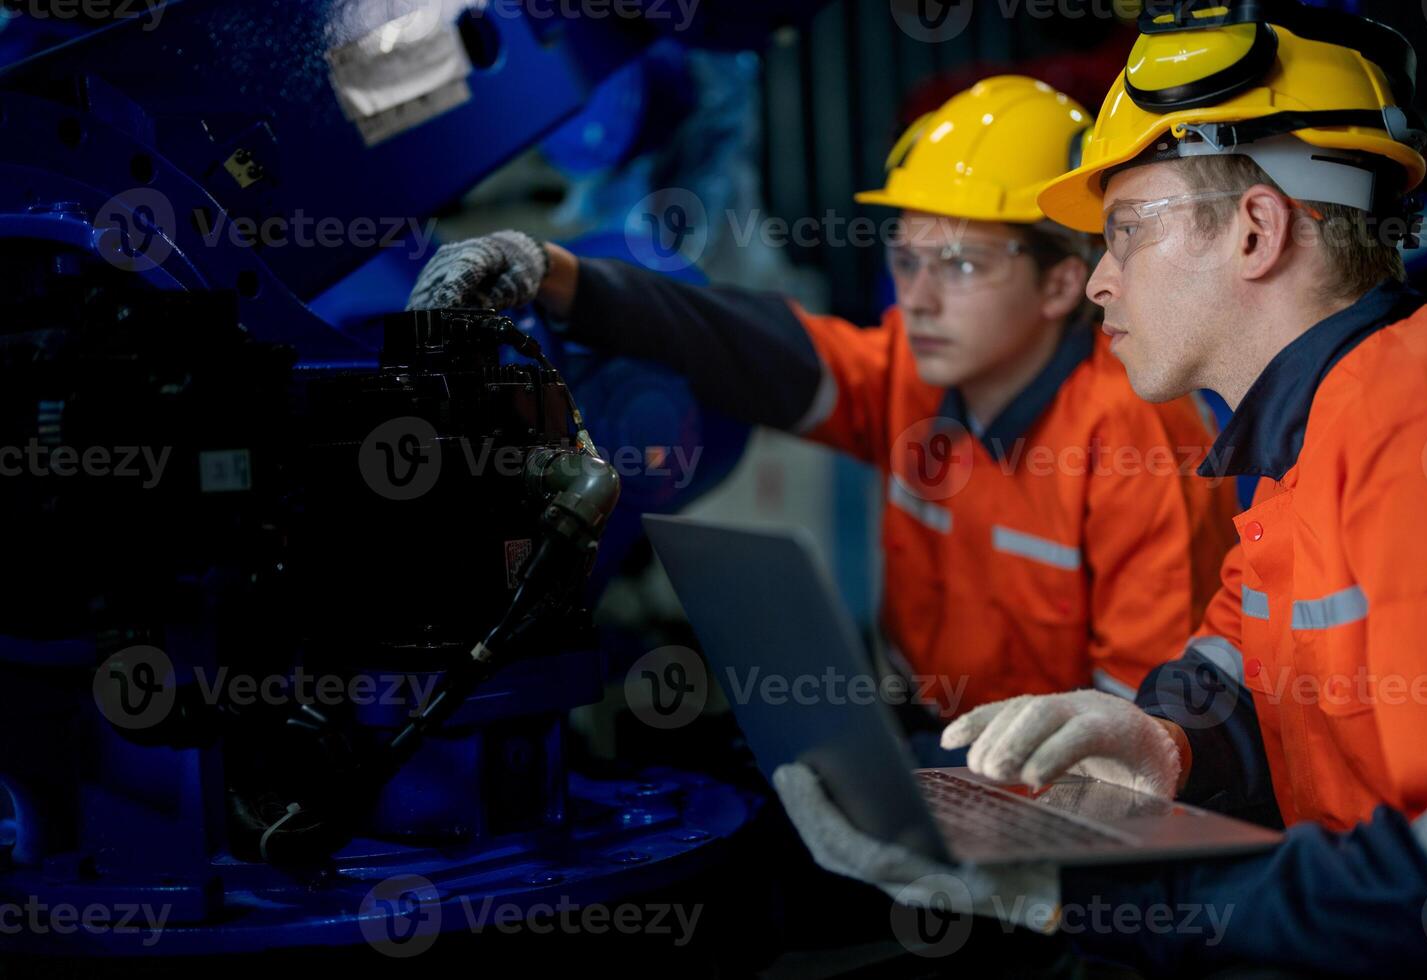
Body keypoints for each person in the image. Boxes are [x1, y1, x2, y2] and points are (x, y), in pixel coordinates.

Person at [774, 5, 1427, 974]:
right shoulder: (1297, 431)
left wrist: (1107, 898)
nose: (1099, 281)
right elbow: (1245, 644)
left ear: (1257, 230)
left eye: (1125, 233)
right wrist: (1161, 736)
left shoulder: (1416, 405)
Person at [409, 75, 1238, 738]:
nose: (915, 299)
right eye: (906, 260)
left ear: (1062, 281)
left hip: (1075, 804)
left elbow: (1140, 737)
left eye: (958, 267)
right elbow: (751, 345)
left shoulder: (1138, 451)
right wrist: (555, 272)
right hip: (933, 742)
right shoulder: (912, 379)